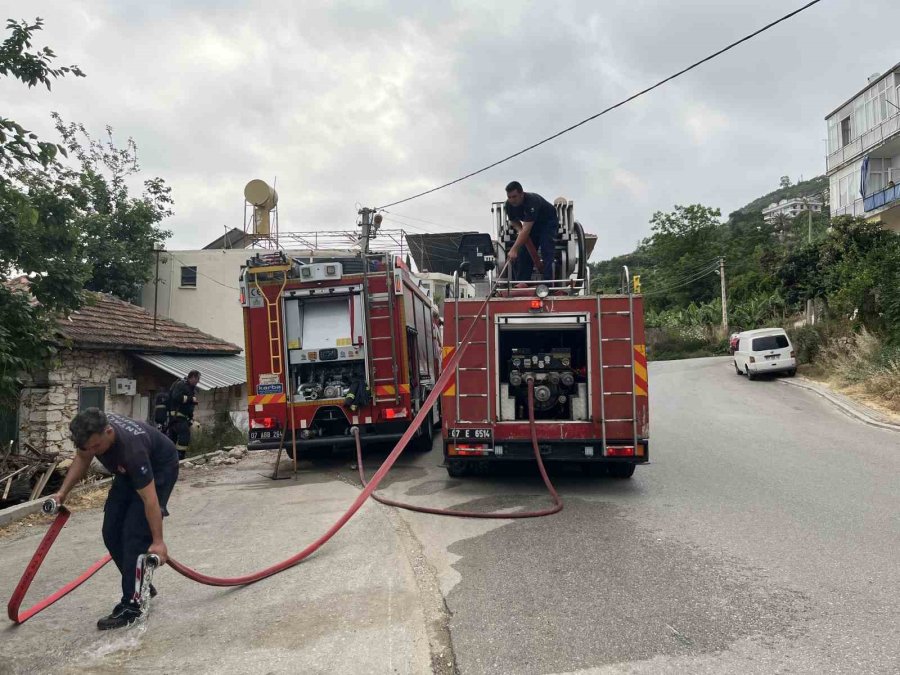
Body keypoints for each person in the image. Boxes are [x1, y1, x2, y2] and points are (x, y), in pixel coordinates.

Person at [49, 408, 179, 630]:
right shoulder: (92, 436)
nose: (93, 452)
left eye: (96, 447)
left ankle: (133, 606)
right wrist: (62, 493)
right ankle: (141, 585)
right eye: (88, 447)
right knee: (111, 531)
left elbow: (150, 500)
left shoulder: (132, 450)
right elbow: (82, 458)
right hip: (125, 472)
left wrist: (158, 542)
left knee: (134, 535)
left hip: (158, 468)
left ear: (109, 432)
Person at [503, 181, 559, 282]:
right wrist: (520, 230)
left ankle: (548, 283)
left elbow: (527, 229)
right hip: (532, 224)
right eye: (509, 197)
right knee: (524, 252)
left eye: (514, 196)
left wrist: (514, 249)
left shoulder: (532, 201)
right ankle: (522, 282)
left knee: (546, 249)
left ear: (521, 194)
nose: (512, 200)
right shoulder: (508, 205)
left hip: (547, 223)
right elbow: (513, 221)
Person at [167, 370, 200, 459]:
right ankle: (179, 457)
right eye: (197, 379)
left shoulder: (189, 387)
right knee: (184, 435)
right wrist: (191, 399)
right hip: (177, 416)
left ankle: (170, 457)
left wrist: (191, 417)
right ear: (192, 377)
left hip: (183, 417)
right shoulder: (181, 385)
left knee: (173, 439)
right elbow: (176, 396)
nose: (198, 381)